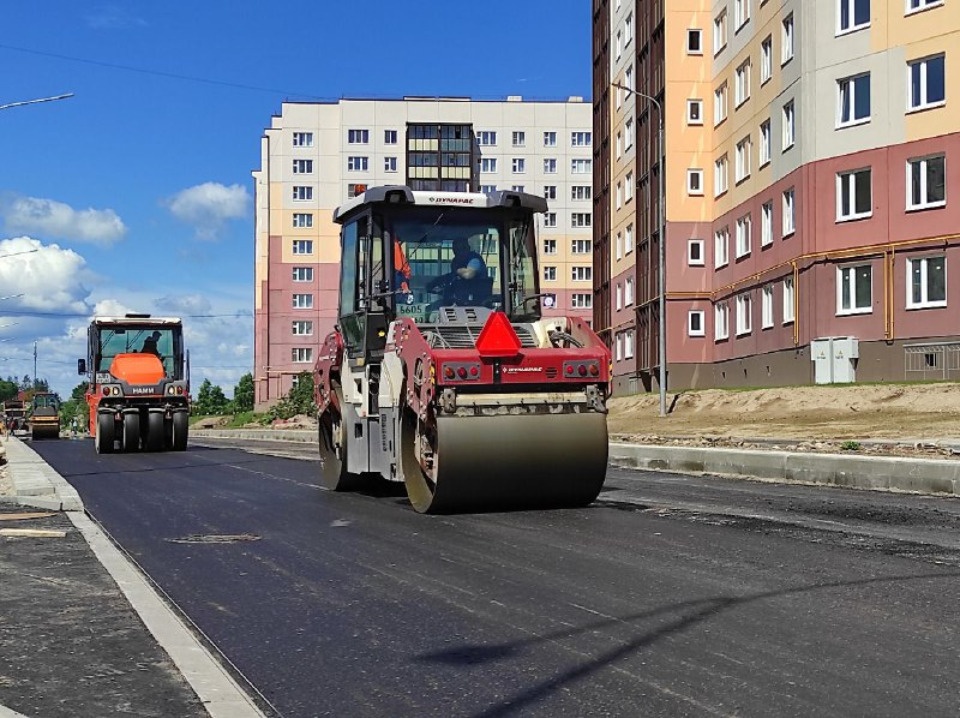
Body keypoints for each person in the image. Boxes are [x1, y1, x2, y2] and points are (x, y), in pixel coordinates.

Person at [427, 237, 490, 304]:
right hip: (459, 302)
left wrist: (457, 270)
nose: (458, 253)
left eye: (461, 249)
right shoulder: (457, 261)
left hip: (477, 304)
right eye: (455, 250)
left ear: (467, 248)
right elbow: (451, 277)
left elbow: (468, 274)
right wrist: (434, 282)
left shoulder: (474, 259)